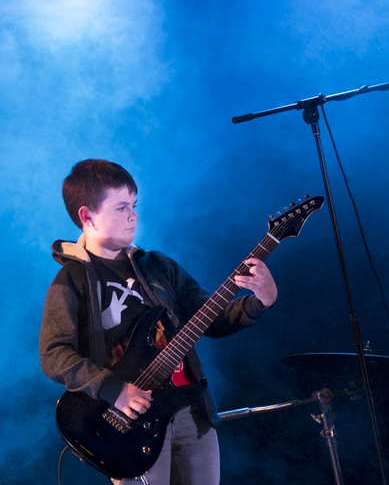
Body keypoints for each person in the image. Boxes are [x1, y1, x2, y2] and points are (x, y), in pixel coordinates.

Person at [39, 159, 278, 485]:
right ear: (87, 216)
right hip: (129, 422)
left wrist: (259, 301)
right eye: (121, 207)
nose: (133, 216)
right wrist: (113, 389)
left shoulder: (158, 267)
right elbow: (53, 353)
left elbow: (210, 318)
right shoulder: (71, 282)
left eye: (134, 205)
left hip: (190, 408)